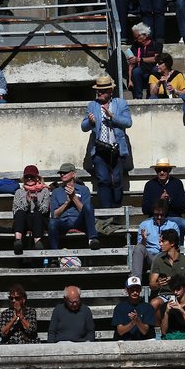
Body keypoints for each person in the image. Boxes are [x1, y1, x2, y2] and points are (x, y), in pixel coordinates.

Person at [82, 74, 132, 209]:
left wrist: (112, 117)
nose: (99, 93)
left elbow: (128, 122)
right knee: (103, 180)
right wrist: (90, 122)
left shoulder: (120, 104)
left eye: (102, 91)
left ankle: (116, 210)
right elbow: (83, 126)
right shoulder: (92, 105)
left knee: (116, 180)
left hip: (117, 148)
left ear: (110, 91)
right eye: (98, 90)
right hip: (99, 149)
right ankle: (105, 213)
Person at [49, 162, 100, 251]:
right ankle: (54, 255)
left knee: (88, 206)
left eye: (65, 172)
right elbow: (54, 215)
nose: (62, 175)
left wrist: (74, 198)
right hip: (63, 221)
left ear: (73, 174)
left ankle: (93, 239)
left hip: (78, 220)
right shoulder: (56, 192)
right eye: (61, 173)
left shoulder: (83, 189)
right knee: (52, 223)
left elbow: (86, 211)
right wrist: (67, 203)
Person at [12, 165, 50, 253]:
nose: (29, 179)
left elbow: (45, 209)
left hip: (39, 220)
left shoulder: (44, 191)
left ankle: (38, 242)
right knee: (20, 212)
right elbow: (15, 210)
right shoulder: (19, 192)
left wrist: (36, 202)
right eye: (27, 177)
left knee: (37, 213)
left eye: (32, 176)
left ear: (37, 178)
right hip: (24, 221)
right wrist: (27, 202)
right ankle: (18, 241)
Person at [113, 276, 156, 341]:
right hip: (125, 341)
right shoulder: (119, 308)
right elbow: (120, 331)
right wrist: (133, 323)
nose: (135, 292)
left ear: (140, 289)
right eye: (132, 289)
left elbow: (145, 331)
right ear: (127, 290)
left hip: (144, 341)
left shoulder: (148, 307)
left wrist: (137, 321)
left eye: (137, 289)